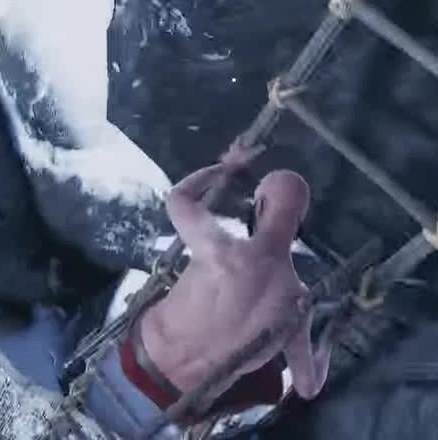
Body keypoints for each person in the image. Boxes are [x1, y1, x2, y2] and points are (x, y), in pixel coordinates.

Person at [83, 144, 332, 437]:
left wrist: (226, 167)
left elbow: (178, 197)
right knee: (270, 382)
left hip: (135, 358)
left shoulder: (216, 246)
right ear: (298, 225)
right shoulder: (298, 303)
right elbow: (307, 387)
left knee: (174, 288)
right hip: (180, 404)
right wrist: (330, 338)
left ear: (260, 206)